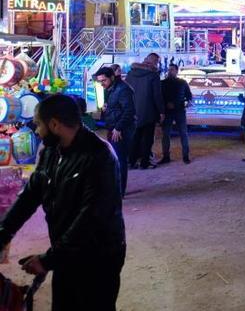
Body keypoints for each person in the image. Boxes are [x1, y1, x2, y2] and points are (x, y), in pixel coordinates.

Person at [0, 94, 126, 310]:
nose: (37, 131)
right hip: (67, 252)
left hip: (99, 255)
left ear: (55, 124)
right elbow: (31, 195)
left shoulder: (99, 156)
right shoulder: (51, 150)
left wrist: (47, 260)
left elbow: (90, 219)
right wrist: (4, 233)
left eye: (38, 125)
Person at [95, 67, 135, 196]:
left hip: (120, 130)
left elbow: (129, 111)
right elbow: (116, 107)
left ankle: (119, 190)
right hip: (113, 127)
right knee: (115, 159)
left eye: (104, 80)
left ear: (112, 77)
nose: (102, 84)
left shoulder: (123, 89)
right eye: (100, 81)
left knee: (119, 159)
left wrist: (118, 128)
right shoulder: (111, 89)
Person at [125, 53, 164, 170]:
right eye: (157, 62)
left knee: (135, 137)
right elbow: (157, 95)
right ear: (154, 62)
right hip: (149, 111)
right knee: (147, 139)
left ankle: (131, 162)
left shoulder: (131, 73)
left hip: (134, 110)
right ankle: (145, 162)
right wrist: (162, 111)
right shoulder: (153, 74)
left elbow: (126, 90)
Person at [160, 63, 193, 164]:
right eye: (169, 70)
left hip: (179, 111)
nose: (170, 71)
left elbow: (189, 96)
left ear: (176, 71)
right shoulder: (163, 83)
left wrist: (187, 102)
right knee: (166, 135)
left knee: (183, 133)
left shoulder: (183, 83)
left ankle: (185, 156)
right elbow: (160, 97)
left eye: (172, 70)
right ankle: (166, 156)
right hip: (168, 112)